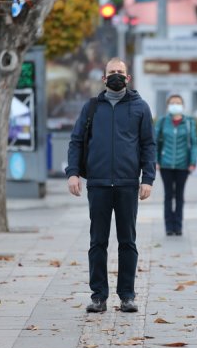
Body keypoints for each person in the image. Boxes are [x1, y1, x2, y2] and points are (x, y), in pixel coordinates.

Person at [66, 57, 155, 314]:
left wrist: (147, 179)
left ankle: (127, 296)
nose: (116, 75)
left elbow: (148, 145)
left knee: (128, 242)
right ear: (104, 78)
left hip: (128, 184)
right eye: (112, 72)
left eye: (120, 72)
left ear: (128, 77)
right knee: (98, 242)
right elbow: (76, 141)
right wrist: (73, 173)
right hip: (99, 184)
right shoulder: (92, 107)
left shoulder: (140, 107)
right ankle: (98, 297)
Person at [155, 94, 197, 236]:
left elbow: (194, 144)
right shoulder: (162, 121)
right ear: (168, 106)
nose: (175, 105)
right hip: (165, 165)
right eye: (173, 103)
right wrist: (155, 160)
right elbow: (154, 142)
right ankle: (169, 227)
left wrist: (192, 162)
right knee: (168, 195)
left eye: (178, 103)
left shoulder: (189, 122)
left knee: (179, 196)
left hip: (183, 165)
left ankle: (178, 226)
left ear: (183, 106)